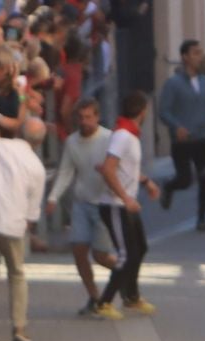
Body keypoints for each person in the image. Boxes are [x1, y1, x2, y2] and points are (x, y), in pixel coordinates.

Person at [0, 117, 48, 341]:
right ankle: (19, 327)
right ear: (39, 142)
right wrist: (29, 224)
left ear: (20, 132)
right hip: (13, 225)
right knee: (16, 273)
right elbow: (33, 209)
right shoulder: (36, 166)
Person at [45, 96, 119, 317]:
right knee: (78, 250)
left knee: (101, 255)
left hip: (104, 203)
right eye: (81, 117)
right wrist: (53, 197)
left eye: (89, 117)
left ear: (97, 117)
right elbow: (66, 171)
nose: (84, 121)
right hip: (82, 203)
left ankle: (126, 275)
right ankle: (95, 297)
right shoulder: (72, 142)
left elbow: (120, 169)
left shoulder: (109, 139)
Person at [96, 88, 160, 317]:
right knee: (126, 254)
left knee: (140, 248)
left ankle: (131, 297)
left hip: (125, 203)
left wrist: (145, 181)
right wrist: (125, 198)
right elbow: (108, 169)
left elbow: (125, 167)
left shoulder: (129, 134)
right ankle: (104, 303)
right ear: (143, 111)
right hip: (115, 204)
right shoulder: (123, 135)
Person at [157, 38, 205, 232]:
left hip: (202, 137)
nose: (200, 57)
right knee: (185, 179)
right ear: (185, 57)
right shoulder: (173, 84)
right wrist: (176, 126)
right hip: (181, 140)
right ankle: (170, 186)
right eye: (195, 53)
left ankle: (202, 218)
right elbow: (164, 111)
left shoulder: (204, 81)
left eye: (200, 52)